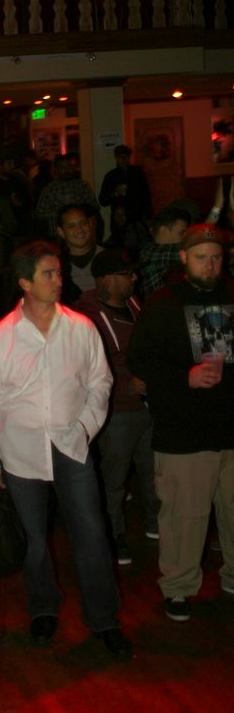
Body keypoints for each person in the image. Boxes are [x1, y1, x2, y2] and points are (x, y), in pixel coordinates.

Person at [0, 240, 131, 658]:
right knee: (32, 540)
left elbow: (101, 383)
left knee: (92, 535)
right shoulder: (0, 337)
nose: (59, 279)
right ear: (25, 282)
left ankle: (104, 619)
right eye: (48, 273)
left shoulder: (81, 328)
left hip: (72, 445)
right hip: (19, 449)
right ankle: (43, 607)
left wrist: (83, 428)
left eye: (59, 272)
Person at [128, 223, 234, 622]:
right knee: (184, 519)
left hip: (231, 428)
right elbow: (140, 361)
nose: (210, 265)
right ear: (184, 257)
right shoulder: (162, 303)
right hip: (184, 432)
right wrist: (183, 378)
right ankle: (177, 587)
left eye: (217, 258)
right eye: (202, 257)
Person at [75, 249, 158, 566]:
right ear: (107, 279)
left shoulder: (134, 303)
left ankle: (155, 522)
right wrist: (125, 385)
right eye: (127, 274)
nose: (135, 278)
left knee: (153, 472)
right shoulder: (86, 317)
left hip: (147, 406)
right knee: (114, 479)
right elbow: (83, 368)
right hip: (116, 412)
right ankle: (113, 536)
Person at [34, 154, 99, 239]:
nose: (66, 170)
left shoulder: (82, 186)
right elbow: (40, 215)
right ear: (56, 170)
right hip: (56, 236)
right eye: (62, 167)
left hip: (79, 234)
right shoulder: (49, 189)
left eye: (69, 166)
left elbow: (93, 209)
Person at [137, 207, 190, 299]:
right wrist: (215, 211)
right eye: (181, 233)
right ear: (163, 230)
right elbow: (196, 248)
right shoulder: (151, 252)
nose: (185, 237)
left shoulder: (154, 251)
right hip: (157, 306)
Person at [56, 203, 102, 303]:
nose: (79, 229)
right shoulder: (55, 264)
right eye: (71, 226)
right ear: (61, 232)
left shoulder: (108, 258)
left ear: (90, 224)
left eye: (83, 223)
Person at [98, 144, 152, 223]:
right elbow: (102, 201)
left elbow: (146, 195)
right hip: (120, 219)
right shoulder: (110, 176)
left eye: (125, 157)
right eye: (120, 157)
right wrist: (115, 193)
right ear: (116, 158)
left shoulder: (138, 172)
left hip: (137, 217)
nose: (123, 159)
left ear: (129, 157)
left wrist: (148, 216)